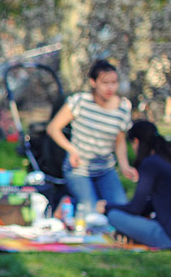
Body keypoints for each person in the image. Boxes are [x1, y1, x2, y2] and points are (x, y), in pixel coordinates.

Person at [46, 59, 136, 209]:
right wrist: (71, 150)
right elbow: (53, 128)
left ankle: (69, 202)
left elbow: (119, 141)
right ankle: (67, 203)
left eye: (114, 83)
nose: (110, 87)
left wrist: (125, 166)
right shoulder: (80, 102)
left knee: (120, 209)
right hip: (79, 168)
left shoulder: (123, 108)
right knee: (91, 213)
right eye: (105, 83)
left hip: (105, 169)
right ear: (93, 82)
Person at [101, 121, 171, 248]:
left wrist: (107, 207)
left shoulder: (150, 164)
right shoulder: (166, 160)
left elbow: (136, 208)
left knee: (114, 216)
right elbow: (151, 205)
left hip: (166, 237)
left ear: (136, 142)